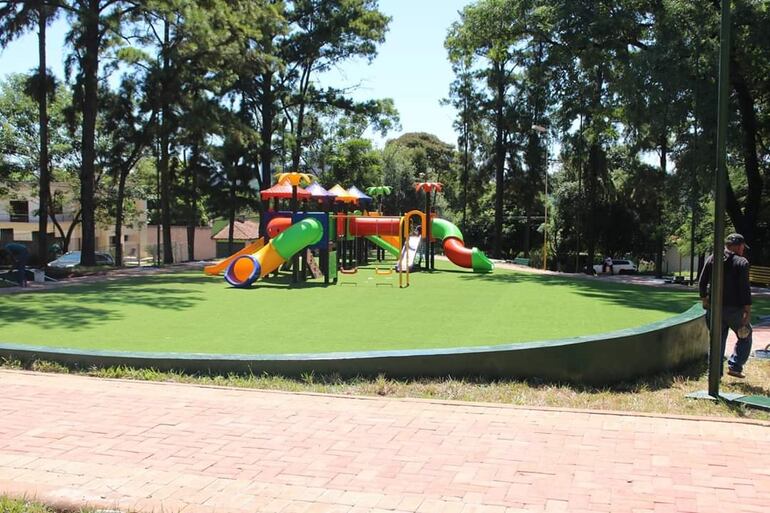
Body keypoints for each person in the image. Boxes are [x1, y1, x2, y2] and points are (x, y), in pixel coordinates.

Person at [698, 233, 752, 378]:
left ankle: (714, 372)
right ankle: (735, 365)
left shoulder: (712, 259)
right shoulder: (742, 262)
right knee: (745, 334)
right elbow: (744, 288)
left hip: (714, 308)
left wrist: (704, 299)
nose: (743, 249)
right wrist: (747, 309)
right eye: (742, 247)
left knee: (717, 340)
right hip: (734, 310)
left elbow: (702, 282)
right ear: (738, 246)